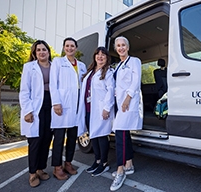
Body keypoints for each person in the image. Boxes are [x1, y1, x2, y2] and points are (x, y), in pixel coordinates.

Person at [49, 37, 87, 180]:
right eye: (67, 46)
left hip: (77, 105)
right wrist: (56, 102)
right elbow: (53, 84)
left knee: (72, 137)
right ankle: (57, 167)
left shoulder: (82, 65)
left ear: (76, 48)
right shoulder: (58, 62)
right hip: (62, 105)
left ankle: (68, 163)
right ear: (64, 48)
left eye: (72, 46)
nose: (70, 48)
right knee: (59, 137)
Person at [110, 36, 143, 191]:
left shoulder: (134, 61)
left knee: (120, 136)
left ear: (128, 47)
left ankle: (120, 170)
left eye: (123, 45)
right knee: (124, 135)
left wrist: (127, 99)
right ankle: (129, 164)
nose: (121, 48)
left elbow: (135, 82)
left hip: (127, 103)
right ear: (116, 48)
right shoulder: (118, 65)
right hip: (120, 104)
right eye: (118, 46)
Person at [19, 40, 53, 187]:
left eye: (44, 49)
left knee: (46, 139)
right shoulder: (29, 67)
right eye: (38, 50)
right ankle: (32, 173)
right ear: (34, 53)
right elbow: (24, 90)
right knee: (35, 141)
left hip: (51, 104)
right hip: (35, 106)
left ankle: (40, 169)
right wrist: (27, 111)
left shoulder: (54, 66)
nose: (41, 52)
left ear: (48, 51)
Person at [77, 47, 115, 177]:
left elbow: (110, 91)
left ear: (106, 57)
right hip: (89, 109)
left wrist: (106, 108)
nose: (100, 57)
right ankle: (97, 160)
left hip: (101, 110)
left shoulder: (108, 72)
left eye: (103, 55)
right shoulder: (90, 72)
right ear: (94, 56)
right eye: (97, 54)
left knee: (102, 136)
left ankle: (104, 163)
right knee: (93, 136)